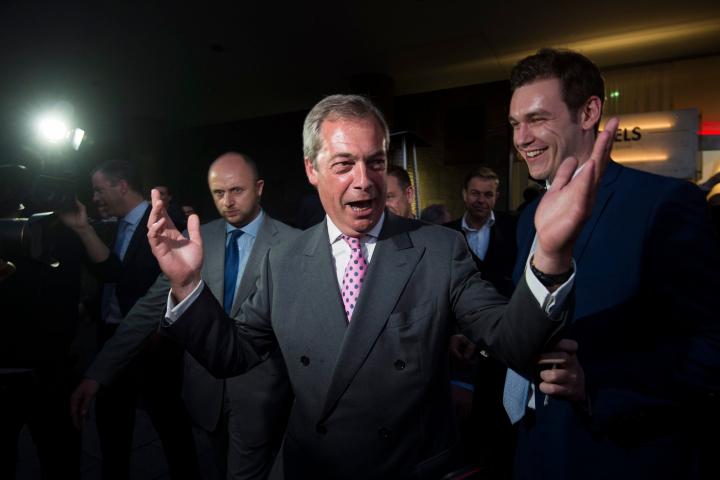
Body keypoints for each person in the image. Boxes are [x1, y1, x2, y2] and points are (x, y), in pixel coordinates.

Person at [149, 94, 616, 479]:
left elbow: (512, 341)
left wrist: (550, 253)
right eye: (343, 164)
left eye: (375, 162)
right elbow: (233, 355)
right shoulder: (282, 260)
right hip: (316, 467)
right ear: (312, 169)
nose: (364, 182)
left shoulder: (438, 250)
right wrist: (187, 285)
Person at [505, 48, 720, 479]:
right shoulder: (528, 218)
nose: (522, 138)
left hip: (617, 455)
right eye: (514, 124)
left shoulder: (663, 204)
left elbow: (710, 346)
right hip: (534, 449)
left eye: (537, 119)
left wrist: (596, 387)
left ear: (589, 113)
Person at [71, 153, 298, 480]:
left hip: (263, 394)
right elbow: (146, 310)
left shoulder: (294, 243)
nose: (228, 201)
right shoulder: (198, 238)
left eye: (237, 190)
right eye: (219, 193)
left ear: (259, 188)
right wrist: (98, 372)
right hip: (206, 391)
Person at [61, 160, 199, 480]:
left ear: (122, 186)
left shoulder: (164, 221)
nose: (94, 197)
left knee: (171, 426)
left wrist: (161, 331)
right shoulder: (112, 226)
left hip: (151, 345)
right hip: (110, 340)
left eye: (99, 189)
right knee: (112, 428)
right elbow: (115, 277)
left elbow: (175, 286)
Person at [446, 167, 516, 297]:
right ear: (465, 194)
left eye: (488, 195)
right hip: (462, 308)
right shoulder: (447, 233)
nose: (481, 200)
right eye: (475, 193)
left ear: (496, 197)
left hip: (504, 305)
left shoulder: (513, 228)